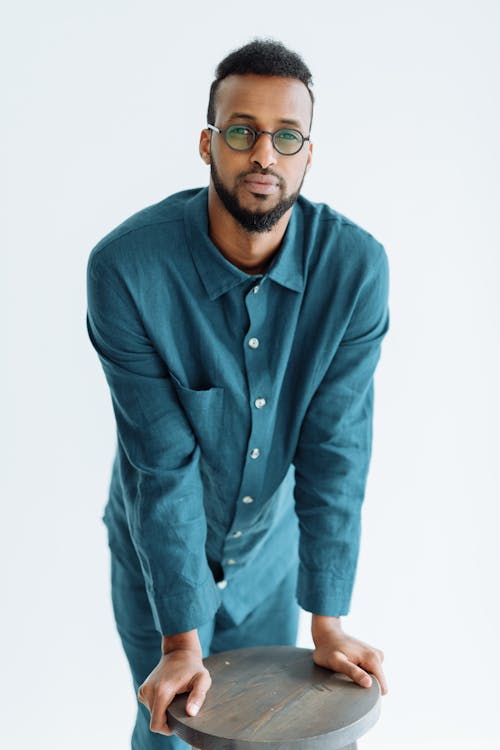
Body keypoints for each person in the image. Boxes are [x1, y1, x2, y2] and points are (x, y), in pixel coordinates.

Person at [87, 38, 390, 750]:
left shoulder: (355, 268)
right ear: (208, 143)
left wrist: (326, 620)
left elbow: (336, 449)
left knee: (261, 732)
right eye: (242, 130)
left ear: (308, 155)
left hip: (268, 557)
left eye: (287, 136)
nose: (265, 154)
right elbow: (160, 467)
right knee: (171, 723)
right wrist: (180, 643)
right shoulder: (126, 269)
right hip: (154, 557)